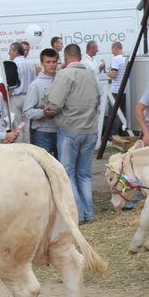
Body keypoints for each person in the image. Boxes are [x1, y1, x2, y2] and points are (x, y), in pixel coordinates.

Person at [47, 43, 100, 223]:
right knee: (84, 174)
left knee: (68, 173)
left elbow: (55, 103)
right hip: (90, 130)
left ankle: (77, 213)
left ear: (66, 57)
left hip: (70, 129)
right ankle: (88, 213)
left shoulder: (65, 75)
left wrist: (48, 109)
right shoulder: (91, 76)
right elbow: (98, 101)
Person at [24, 48, 59, 157]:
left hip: (62, 131)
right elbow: (27, 111)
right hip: (42, 133)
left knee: (62, 167)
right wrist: (42, 113)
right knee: (43, 168)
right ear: (42, 63)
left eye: (54, 62)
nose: (52, 65)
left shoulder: (62, 80)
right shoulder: (35, 85)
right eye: (48, 62)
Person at [7, 42, 37, 144]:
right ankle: (27, 146)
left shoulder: (13, 64)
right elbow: (34, 83)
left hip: (16, 97)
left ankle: (19, 148)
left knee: (17, 125)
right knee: (25, 125)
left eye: (10, 50)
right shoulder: (30, 64)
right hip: (27, 98)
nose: (9, 52)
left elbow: (11, 84)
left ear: (15, 51)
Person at [107, 41, 127, 136]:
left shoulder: (116, 59)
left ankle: (113, 134)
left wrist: (107, 73)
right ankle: (124, 132)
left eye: (112, 49)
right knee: (123, 113)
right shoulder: (125, 58)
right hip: (125, 90)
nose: (112, 52)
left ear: (115, 48)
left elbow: (114, 75)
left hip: (115, 90)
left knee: (114, 113)